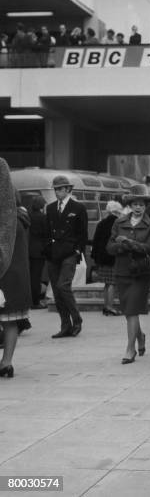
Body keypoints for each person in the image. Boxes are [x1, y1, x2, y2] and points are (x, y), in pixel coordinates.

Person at [106, 193, 150, 364]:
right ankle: (140, 336)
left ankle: (130, 349)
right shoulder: (118, 222)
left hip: (141, 274)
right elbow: (109, 248)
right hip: (122, 272)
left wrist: (129, 243)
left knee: (132, 309)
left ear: (146, 207)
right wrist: (121, 245)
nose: (138, 207)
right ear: (129, 205)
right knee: (129, 311)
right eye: (135, 204)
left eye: (141, 205)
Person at [45, 175, 88, 338]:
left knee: (63, 285)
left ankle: (77, 320)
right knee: (57, 291)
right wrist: (46, 250)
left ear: (68, 189)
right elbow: (46, 233)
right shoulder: (49, 208)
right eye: (56, 189)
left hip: (70, 252)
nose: (57, 192)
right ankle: (65, 325)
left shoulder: (78, 208)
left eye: (61, 189)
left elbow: (83, 233)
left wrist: (78, 251)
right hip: (53, 253)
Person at [0, 159, 31, 379]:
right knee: (11, 321)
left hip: (4, 275)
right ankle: (7, 362)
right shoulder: (19, 221)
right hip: (15, 279)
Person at [91, 201, 124, 316]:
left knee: (107, 283)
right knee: (112, 283)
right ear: (117, 212)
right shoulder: (118, 223)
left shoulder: (101, 223)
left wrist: (95, 258)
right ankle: (110, 307)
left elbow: (95, 241)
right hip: (113, 256)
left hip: (102, 258)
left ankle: (106, 306)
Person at [28, 196, 49, 309]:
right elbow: (46, 234)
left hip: (28, 249)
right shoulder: (43, 217)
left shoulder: (28, 216)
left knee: (30, 276)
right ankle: (35, 302)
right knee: (36, 277)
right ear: (41, 205)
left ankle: (29, 299)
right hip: (39, 251)